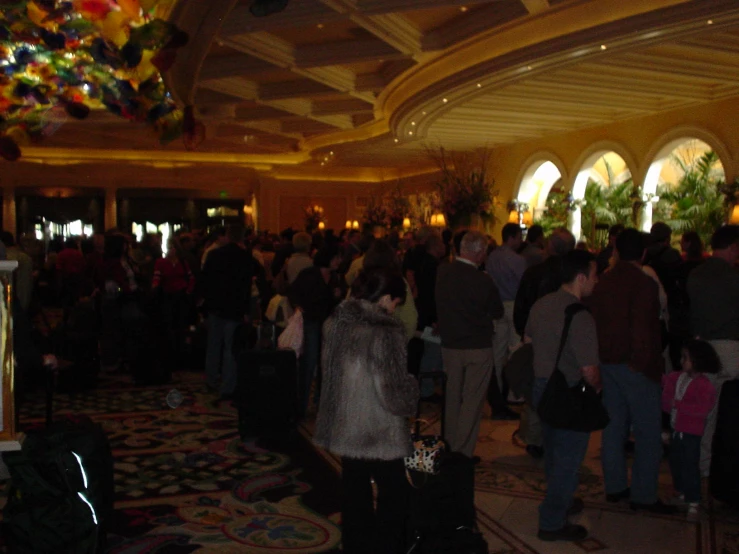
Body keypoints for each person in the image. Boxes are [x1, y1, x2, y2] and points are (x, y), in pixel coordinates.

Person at [313, 268, 418, 554]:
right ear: (385, 298)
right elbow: (393, 392)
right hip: (377, 426)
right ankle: (388, 547)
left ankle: (357, 545)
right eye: (396, 302)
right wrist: (412, 391)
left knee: (354, 489)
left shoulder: (336, 322)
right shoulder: (385, 332)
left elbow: (329, 374)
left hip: (345, 421)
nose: (395, 309)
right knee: (394, 492)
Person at [587, 228, 674, 513]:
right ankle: (644, 495)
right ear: (644, 253)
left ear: (616, 251)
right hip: (635, 364)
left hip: (608, 361)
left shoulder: (604, 282)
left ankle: (615, 486)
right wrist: (645, 364)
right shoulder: (643, 283)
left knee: (613, 428)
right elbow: (642, 331)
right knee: (648, 432)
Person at [525, 250, 600, 541]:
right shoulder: (580, 316)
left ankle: (563, 501)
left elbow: (528, 340)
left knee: (554, 455)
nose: (597, 281)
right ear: (580, 278)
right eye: (594, 275)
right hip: (569, 392)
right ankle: (552, 522)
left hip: (542, 388)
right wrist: (596, 391)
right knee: (568, 461)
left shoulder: (541, 304)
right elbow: (589, 369)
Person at [436, 231, 504, 457]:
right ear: (479, 253)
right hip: (477, 345)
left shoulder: (443, 272)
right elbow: (497, 310)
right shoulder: (482, 280)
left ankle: (449, 443)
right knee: (472, 401)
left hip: (450, 344)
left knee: (452, 397)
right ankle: (461, 452)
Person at [686, 224, 739, 476]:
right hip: (730, 347)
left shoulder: (696, 274)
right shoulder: (733, 277)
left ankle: (703, 465)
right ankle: (725, 466)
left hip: (703, 347)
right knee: (728, 411)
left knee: (704, 410)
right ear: (732, 247)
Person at [662, 339, 719, 521]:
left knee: (689, 465)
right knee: (676, 461)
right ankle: (681, 492)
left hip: (691, 432)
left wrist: (677, 404)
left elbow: (701, 410)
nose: (682, 361)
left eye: (685, 357)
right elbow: (666, 388)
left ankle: (693, 499)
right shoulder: (678, 377)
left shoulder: (704, 385)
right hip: (676, 428)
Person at [200, 225, 255, 400]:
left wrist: (205, 304)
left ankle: (211, 379)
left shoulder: (214, 255)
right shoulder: (244, 257)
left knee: (214, 344)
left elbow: (205, 281)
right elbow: (246, 286)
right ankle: (227, 387)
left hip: (215, 306)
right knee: (231, 348)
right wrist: (246, 309)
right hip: (235, 308)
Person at [485, 222, 525, 419]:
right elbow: (522, 283)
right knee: (515, 349)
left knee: (497, 351)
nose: (521, 241)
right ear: (512, 237)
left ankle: (497, 391)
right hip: (512, 305)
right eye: (519, 237)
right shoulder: (516, 260)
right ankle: (514, 393)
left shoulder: (491, 256)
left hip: (496, 305)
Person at [152, 237, 195, 370]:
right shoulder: (161, 262)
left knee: (181, 327)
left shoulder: (182, 262)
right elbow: (156, 279)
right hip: (168, 297)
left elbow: (191, 278)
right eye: (169, 247)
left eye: (173, 247)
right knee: (169, 327)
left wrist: (188, 291)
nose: (171, 250)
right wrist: (154, 291)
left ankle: (181, 356)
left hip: (181, 297)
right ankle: (171, 356)